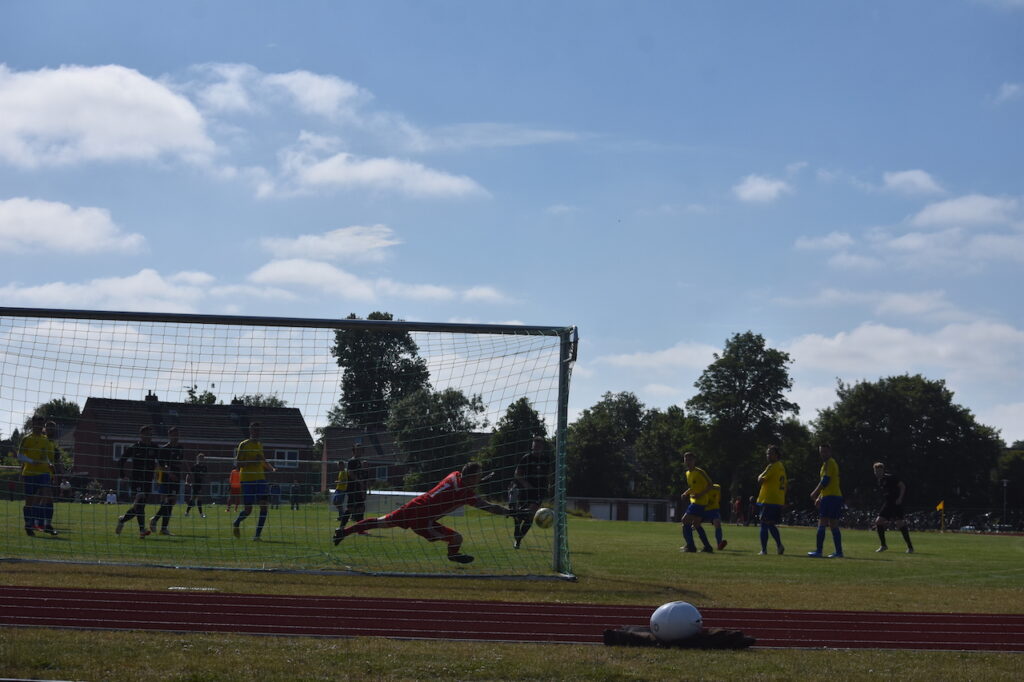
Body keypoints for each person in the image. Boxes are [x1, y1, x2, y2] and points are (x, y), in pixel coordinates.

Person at [333, 461, 510, 564]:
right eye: (478, 477)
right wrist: (510, 512)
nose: (479, 479)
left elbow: (465, 487)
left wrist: (472, 484)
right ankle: (453, 554)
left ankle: (343, 532)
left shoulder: (454, 475)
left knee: (381, 522)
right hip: (422, 518)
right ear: (471, 478)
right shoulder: (464, 493)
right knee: (456, 539)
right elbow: (488, 506)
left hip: (413, 506)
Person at [116, 425, 163, 538]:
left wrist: (159, 478)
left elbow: (161, 462)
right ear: (141, 435)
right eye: (147, 434)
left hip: (148, 480)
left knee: (138, 506)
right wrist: (122, 474)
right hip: (136, 480)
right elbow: (121, 460)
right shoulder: (134, 447)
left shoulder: (154, 448)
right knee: (140, 502)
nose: (149, 436)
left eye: (150, 434)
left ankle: (123, 519)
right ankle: (142, 530)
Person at [232, 422, 275, 541]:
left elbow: (262, 460)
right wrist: (252, 460)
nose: (257, 433)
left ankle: (257, 535)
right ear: (250, 431)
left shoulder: (260, 445)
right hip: (247, 480)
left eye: (258, 431)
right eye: (254, 430)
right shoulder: (244, 445)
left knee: (264, 507)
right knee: (248, 510)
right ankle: (236, 522)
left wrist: (271, 468)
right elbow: (238, 464)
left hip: (260, 479)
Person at [17, 415, 57, 536]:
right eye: (37, 424)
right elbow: (19, 455)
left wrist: (50, 464)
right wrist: (31, 461)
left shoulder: (45, 440)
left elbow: (45, 456)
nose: (39, 426)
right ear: (33, 424)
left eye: (41, 424)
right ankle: (29, 524)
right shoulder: (27, 439)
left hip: (43, 473)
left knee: (47, 496)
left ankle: (46, 524)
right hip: (30, 473)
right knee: (29, 501)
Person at [510, 437, 548, 549]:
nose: (537, 448)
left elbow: (550, 473)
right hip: (525, 491)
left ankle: (518, 540)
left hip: (539, 492)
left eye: (539, 446)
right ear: (532, 446)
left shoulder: (546, 459)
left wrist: (549, 486)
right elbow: (517, 474)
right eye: (535, 446)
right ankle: (517, 528)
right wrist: (525, 483)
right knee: (519, 515)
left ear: (542, 448)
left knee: (530, 514)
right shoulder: (526, 458)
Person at [808, 444, 844, 558]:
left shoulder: (830, 463)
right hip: (831, 496)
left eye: (825, 451)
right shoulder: (825, 465)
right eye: (821, 451)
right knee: (833, 524)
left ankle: (819, 551)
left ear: (830, 452)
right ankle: (838, 552)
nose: (823, 454)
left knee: (823, 522)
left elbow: (826, 481)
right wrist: (820, 497)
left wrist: (815, 493)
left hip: (831, 497)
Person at [149, 426, 184, 535]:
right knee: (169, 501)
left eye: (177, 434)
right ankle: (157, 521)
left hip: (176, 478)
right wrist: (170, 473)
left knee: (171, 502)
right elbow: (161, 464)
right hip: (166, 478)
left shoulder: (180, 448)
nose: (176, 436)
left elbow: (179, 463)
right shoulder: (164, 449)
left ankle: (162, 526)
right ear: (169, 435)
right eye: (174, 434)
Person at [873, 462, 914, 554]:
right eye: (876, 471)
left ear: (883, 470)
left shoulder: (890, 477)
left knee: (900, 524)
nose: (877, 473)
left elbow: (902, 486)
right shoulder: (880, 480)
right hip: (888, 504)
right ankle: (883, 545)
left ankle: (910, 547)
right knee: (878, 521)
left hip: (896, 503)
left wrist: (900, 498)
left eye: (879, 471)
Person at [680, 451, 715, 553]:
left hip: (700, 502)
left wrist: (701, 494)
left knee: (685, 520)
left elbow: (710, 485)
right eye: (686, 459)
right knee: (696, 524)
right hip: (694, 501)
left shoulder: (700, 472)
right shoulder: (687, 473)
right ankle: (707, 547)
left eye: (690, 460)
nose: (688, 462)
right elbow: (692, 487)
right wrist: (686, 493)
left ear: (694, 461)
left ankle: (690, 546)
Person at [756, 445, 787, 555]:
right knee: (770, 524)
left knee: (764, 524)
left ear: (777, 455)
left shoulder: (772, 466)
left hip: (768, 499)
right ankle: (779, 545)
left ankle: (764, 550)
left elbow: (760, 480)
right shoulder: (781, 467)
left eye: (771, 453)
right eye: (767, 453)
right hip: (777, 499)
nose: (768, 455)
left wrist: (759, 475)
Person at [336, 447, 368, 535]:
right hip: (352, 488)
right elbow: (350, 473)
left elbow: (359, 475)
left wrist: (362, 487)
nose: (360, 452)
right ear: (353, 451)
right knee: (351, 508)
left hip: (357, 488)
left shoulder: (358, 462)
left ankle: (359, 529)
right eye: (358, 450)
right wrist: (359, 482)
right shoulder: (352, 461)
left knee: (361, 508)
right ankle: (342, 527)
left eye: (361, 450)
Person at [702, 483, 727, 550]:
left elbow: (718, 497)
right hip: (703, 508)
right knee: (694, 524)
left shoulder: (717, 487)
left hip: (714, 509)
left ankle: (719, 544)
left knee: (717, 524)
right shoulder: (701, 487)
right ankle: (689, 543)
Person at [184, 453, 207, 518]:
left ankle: (186, 512)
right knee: (199, 498)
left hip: (200, 484)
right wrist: (187, 481)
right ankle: (201, 514)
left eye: (202, 458)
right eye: (200, 458)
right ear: (197, 459)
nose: (201, 460)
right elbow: (188, 474)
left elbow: (204, 476)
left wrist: (203, 483)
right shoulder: (195, 466)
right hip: (195, 484)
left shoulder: (204, 467)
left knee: (193, 499)